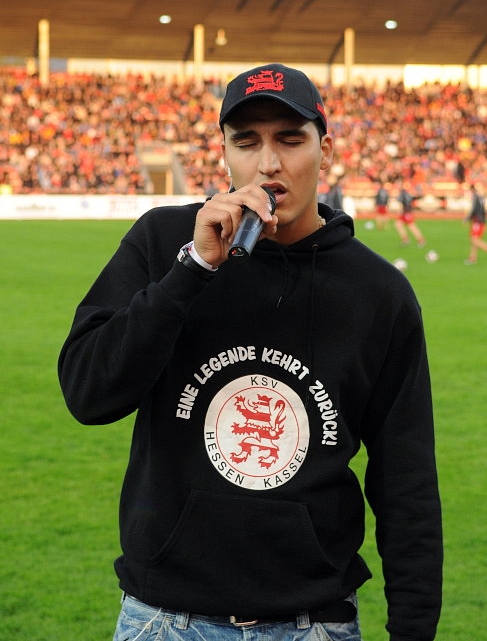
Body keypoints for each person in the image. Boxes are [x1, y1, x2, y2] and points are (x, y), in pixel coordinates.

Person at [58, 63, 442, 641]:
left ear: (324, 149)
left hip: (313, 623)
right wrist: (193, 269)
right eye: (246, 142)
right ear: (225, 154)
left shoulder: (378, 293)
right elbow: (88, 395)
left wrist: (413, 630)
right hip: (165, 619)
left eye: (289, 139)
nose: (268, 163)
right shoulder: (164, 242)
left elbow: (405, 480)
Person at [464, 184, 487, 265]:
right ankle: (472, 258)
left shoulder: (475, 197)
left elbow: (474, 210)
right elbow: (482, 210)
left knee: (474, 240)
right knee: (474, 240)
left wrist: (467, 219)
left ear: (471, 190)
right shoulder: (479, 197)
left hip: (478, 221)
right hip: (480, 221)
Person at [394, 181, 427, 247]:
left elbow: (400, 200)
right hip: (405, 212)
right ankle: (405, 239)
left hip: (407, 212)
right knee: (398, 225)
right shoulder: (405, 193)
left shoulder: (403, 193)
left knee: (411, 226)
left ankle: (421, 240)